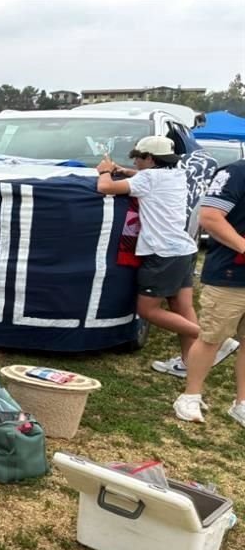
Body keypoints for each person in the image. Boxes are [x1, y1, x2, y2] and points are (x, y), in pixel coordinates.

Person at [96, 137, 222, 377]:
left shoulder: (148, 178)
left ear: (151, 159)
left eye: (139, 157)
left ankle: (211, 340)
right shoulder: (176, 175)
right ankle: (188, 362)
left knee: (147, 310)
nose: (135, 160)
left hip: (161, 253)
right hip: (182, 249)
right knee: (181, 307)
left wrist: (105, 171)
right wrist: (126, 171)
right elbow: (148, 180)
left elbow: (105, 188)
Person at [174, 159, 245, 424]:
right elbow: (210, 216)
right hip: (231, 275)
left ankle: (242, 402)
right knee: (212, 337)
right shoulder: (236, 173)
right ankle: (190, 396)